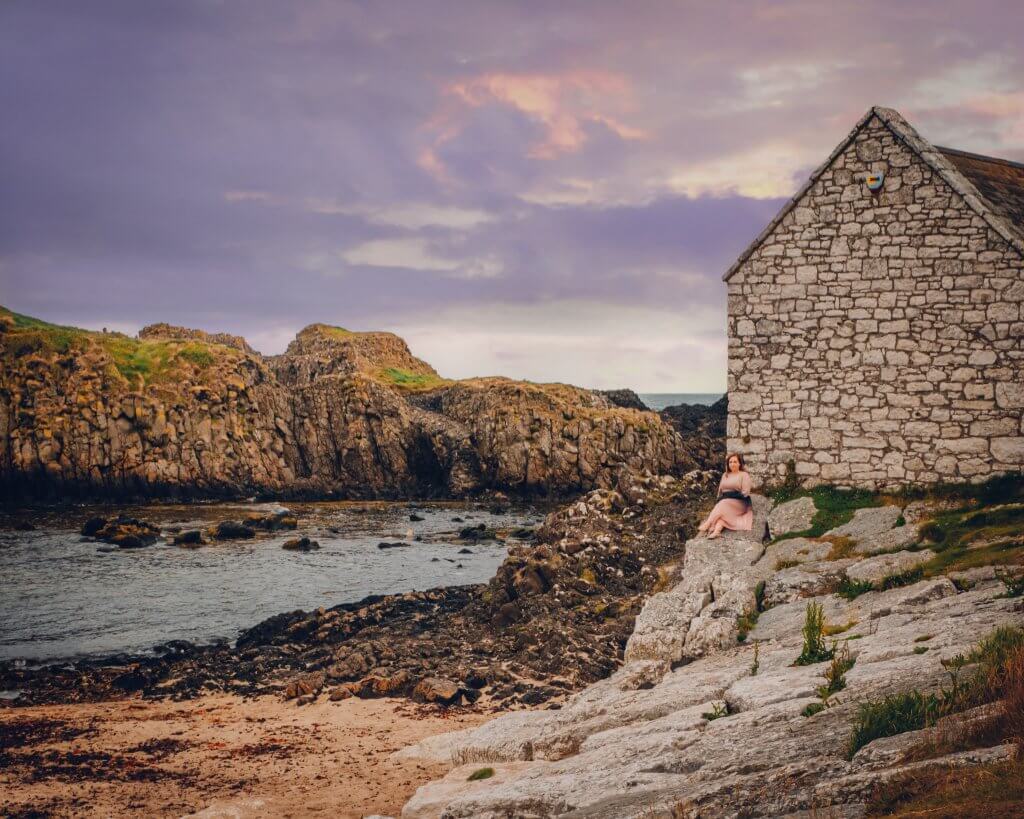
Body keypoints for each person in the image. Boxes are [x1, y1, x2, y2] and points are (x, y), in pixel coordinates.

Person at [697, 453, 753, 539]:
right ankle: (716, 532)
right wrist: (719, 500)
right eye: (730, 462)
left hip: (740, 502)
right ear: (728, 464)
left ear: (739, 464)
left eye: (735, 462)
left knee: (723, 503)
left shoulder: (744, 475)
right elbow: (720, 491)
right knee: (722, 512)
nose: (732, 464)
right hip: (726, 502)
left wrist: (727, 497)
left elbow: (745, 493)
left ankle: (708, 523)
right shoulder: (725, 475)